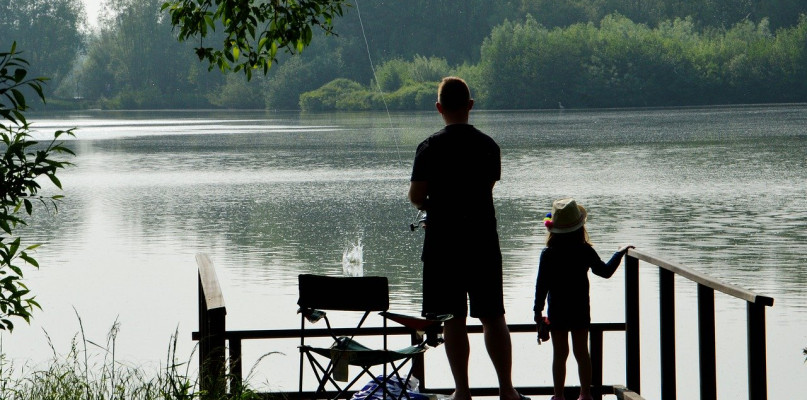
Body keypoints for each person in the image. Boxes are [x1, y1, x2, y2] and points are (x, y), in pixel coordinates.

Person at [408, 77, 527, 400]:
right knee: (493, 316)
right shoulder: (489, 146)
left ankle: (462, 391)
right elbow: (485, 189)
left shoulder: (429, 147)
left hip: (443, 246)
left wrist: (431, 204)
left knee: (453, 319)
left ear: (439, 108)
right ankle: (507, 389)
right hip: (483, 242)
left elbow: (417, 196)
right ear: (470, 106)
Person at [533, 198, 634, 400]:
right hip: (579, 310)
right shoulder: (584, 250)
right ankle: (585, 394)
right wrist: (619, 253)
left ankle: (559, 395)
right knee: (582, 353)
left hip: (557, 311)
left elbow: (541, 286)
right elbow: (605, 272)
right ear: (580, 227)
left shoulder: (548, 254)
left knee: (559, 355)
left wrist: (538, 313)